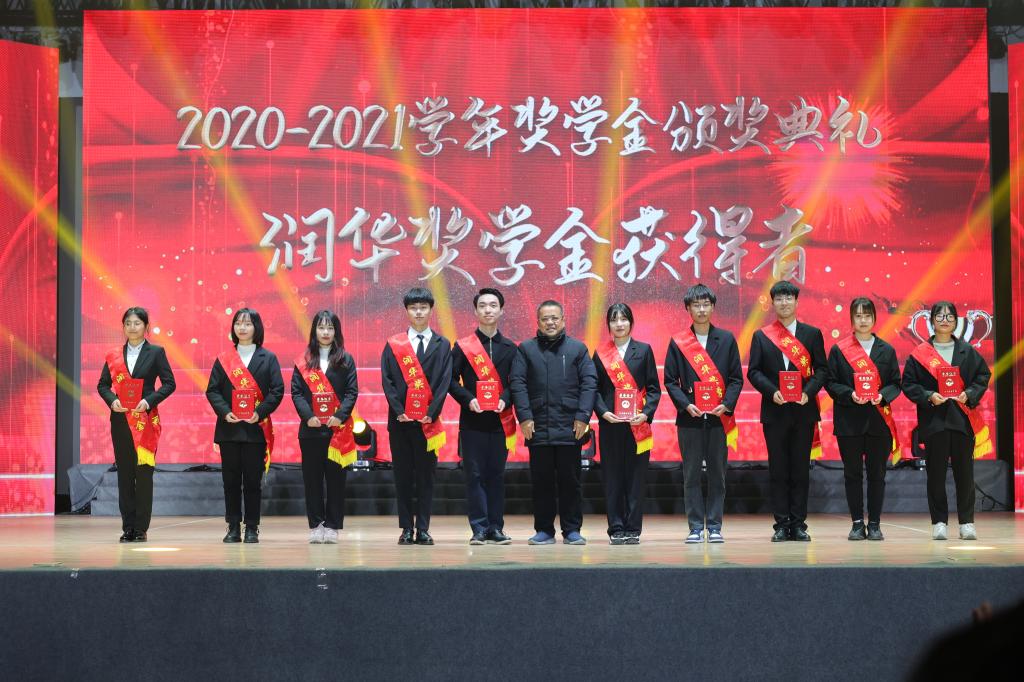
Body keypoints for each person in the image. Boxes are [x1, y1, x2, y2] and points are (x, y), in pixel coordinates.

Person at [902, 301, 992, 541]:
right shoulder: (920, 354)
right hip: (934, 421)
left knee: (965, 474)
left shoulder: (967, 351)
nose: (945, 320)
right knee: (936, 475)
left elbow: (983, 375)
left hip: (962, 420)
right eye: (940, 316)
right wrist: (928, 395)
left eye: (949, 316)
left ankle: (967, 523)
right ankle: (939, 522)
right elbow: (908, 383)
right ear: (931, 321)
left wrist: (969, 394)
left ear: (956, 321)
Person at [510, 300, 597, 546]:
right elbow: (517, 383)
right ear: (538, 322)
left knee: (571, 482)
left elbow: (589, 383)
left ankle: (572, 530)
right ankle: (544, 530)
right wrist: (524, 416)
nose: (550, 322)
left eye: (554, 318)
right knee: (542, 483)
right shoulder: (526, 349)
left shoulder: (578, 348)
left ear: (563, 320)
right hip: (537, 426)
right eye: (545, 319)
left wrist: (583, 416)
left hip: (571, 426)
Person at [747, 281, 828, 542]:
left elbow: (822, 370)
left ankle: (799, 524)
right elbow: (754, 372)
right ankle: (781, 524)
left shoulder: (812, 334)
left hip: (804, 411)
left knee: (800, 470)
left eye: (788, 298)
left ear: (796, 301)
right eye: (779, 299)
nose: (784, 303)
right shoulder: (762, 336)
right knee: (779, 470)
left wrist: (809, 392)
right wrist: (772, 391)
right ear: (773, 303)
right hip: (775, 411)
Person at [664, 284, 743, 544]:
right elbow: (670, 381)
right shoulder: (678, 342)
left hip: (720, 418)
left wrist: (727, 404)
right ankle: (696, 527)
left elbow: (736, 379)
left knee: (718, 474)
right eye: (696, 305)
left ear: (713, 307)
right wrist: (686, 405)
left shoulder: (727, 339)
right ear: (688, 309)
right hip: (690, 419)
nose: (701, 309)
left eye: (705, 304)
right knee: (691, 475)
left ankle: (716, 525)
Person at [97, 307, 176, 543]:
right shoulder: (113, 355)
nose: (132, 327)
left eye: (137, 323)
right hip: (121, 421)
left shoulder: (156, 352)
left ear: (146, 327)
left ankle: (141, 528)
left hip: (145, 421)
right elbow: (103, 385)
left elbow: (169, 383)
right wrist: (113, 401)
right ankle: (128, 527)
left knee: (143, 475)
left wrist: (149, 401)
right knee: (124, 475)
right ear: (123, 327)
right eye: (128, 323)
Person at [825, 297, 902, 541]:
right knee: (852, 474)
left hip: (879, 422)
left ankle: (875, 524)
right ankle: (857, 523)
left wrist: (882, 396)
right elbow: (830, 383)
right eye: (858, 316)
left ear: (874, 318)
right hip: (849, 422)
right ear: (852, 319)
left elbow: (895, 383)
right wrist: (850, 394)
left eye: (867, 315)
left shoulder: (886, 350)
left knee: (877, 475)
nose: (863, 320)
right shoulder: (839, 350)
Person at [205, 308, 284, 544]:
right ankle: (232, 527)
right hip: (229, 429)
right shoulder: (224, 359)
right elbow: (212, 390)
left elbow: (277, 390)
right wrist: (225, 411)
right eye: (238, 323)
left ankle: (251, 527)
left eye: (248, 324)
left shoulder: (268, 358)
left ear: (256, 328)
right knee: (230, 481)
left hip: (255, 429)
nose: (242, 327)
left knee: (252, 481)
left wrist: (260, 412)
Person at [381, 287, 452, 546]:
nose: (418, 312)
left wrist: (431, 413)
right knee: (402, 477)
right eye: (413, 308)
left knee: (425, 477)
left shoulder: (442, 344)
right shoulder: (393, 344)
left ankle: (423, 528)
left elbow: (444, 381)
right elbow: (387, 380)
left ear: (431, 310)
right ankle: (405, 528)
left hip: (428, 424)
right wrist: (399, 410)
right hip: (400, 423)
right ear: (407, 311)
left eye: (423, 307)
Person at [450, 288, 518, 545]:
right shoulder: (462, 346)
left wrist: (505, 399)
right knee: (474, 475)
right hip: (472, 422)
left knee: (497, 475)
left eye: (493, 305)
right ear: (475, 311)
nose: (488, 309)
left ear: (502, 310)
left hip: (501, 422)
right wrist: (468, 399)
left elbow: (517, 382)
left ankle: (496, 527)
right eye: (483, 305)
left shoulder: (511, 348)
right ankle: (479, 528)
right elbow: (450, 380)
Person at [592, 303, 660, 545]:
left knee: (635, 478)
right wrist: (603, 412)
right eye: (614, 319)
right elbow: (593, 390)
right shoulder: (600, 353)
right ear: (608, 325)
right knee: (612, 478)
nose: (619, 324)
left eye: (623, 319)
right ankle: (616, 527)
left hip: (637, 425)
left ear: (631, 322)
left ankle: (633, 528)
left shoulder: (644, 350)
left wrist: (646, 414)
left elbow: (654, 389)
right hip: (610, 426)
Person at [291, 310, 359, 544]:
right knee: (312, 481)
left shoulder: (346, 359)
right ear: (314, 331)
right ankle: (316, 525)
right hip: (310, 431)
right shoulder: (304, 360)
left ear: (336, 331)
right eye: (321, 327)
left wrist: (340, 416)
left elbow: (351, 392)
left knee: (336, 481)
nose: (326, 332)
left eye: (330, 328)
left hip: (337, 431)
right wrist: (308, 416)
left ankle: (332, 526)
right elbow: (297, 392)